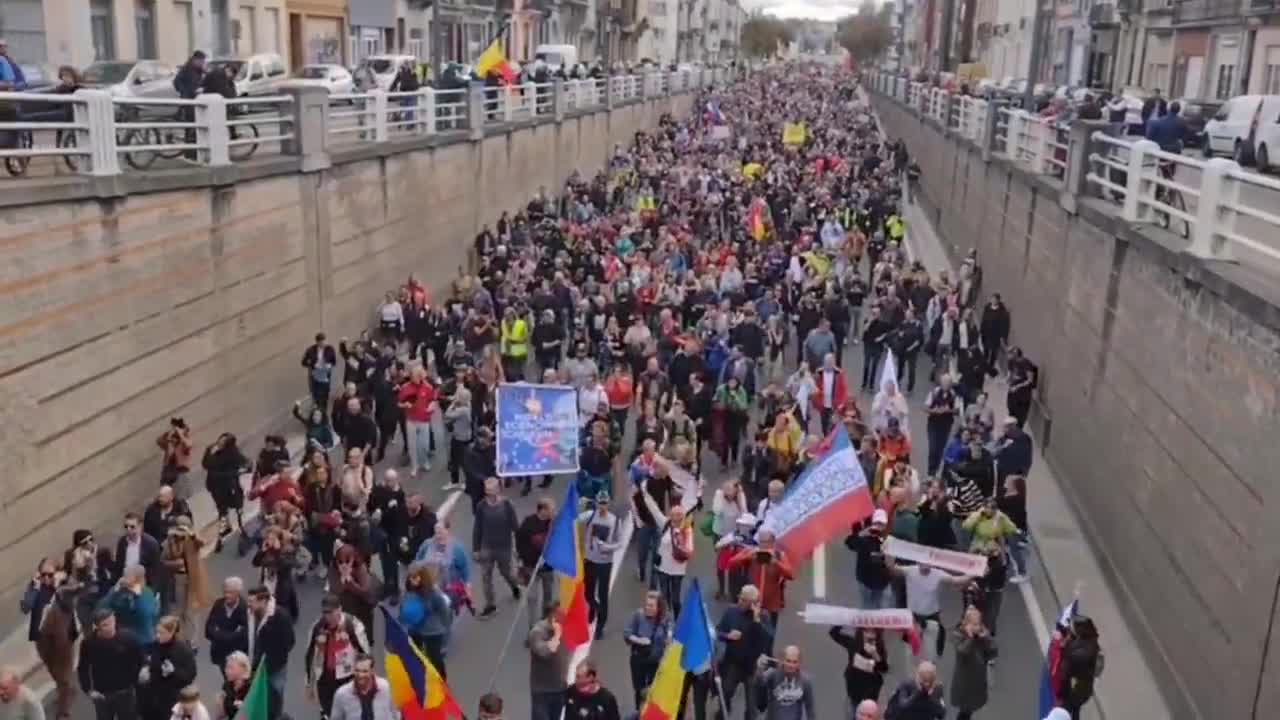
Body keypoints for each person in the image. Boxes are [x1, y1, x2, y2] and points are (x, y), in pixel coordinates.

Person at [304, 594, 372, 719]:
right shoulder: (317, 627)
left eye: (331, 612)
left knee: (350, 711)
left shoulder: (353, 625)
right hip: (325, 677)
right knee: (328, 712)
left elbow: (365, 652)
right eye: (325, 613)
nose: (328, 616)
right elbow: (309, 654)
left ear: (339, 609)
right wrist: (309, 683)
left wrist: (368, 678)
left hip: (347, 676)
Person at [715, 585, 773, 720]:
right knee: (725, 693)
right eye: (740, 598)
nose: (739, 601)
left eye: (744, 600)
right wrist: (727, 636)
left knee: (752, 705)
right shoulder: (731, 611)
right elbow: (718, 632)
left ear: (753, 603)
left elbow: (766, 639)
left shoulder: (763, 616)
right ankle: (723, 713)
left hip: (753, 666)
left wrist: (757, 620)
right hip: (733, 662)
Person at [77, 610, 145, 720]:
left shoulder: (128, 638)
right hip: (102, 694)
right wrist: (88, 690)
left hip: (125, 692)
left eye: (112, 621)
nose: (110, 627)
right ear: (97, 626)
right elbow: (83, 668)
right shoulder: (89, 643)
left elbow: (141, 658)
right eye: (105, 625)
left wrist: (142, 672)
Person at [473, 477, 522, 617]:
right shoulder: (481, 506)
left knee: (506, 573)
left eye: (491, 490)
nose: (489, 493)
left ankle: (514, 586)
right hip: (486, 547)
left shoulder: (507, 505)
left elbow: (515, 527)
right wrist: (476, 548)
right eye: (487, 490)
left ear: (498, 489)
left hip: (504, 547)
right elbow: (478, 528)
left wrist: (518, 548)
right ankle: (490, 605)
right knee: (485, 577)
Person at [579, 492, 623, 638]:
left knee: (603, 594)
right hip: (590, 560)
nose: (602, 506)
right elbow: (576, 518)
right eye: (600, 503)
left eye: (605, 503)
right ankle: (594, 608)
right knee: (588, 592)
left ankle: (600, 626)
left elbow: (619, 543)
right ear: (596, 503)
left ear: (608, 504)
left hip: (605, 562)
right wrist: (579, 504)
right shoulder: (590, 515)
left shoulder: (615, 521)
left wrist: (606, 547)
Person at [139, 616, 198, 720]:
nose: (157, 636)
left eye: (161, 633)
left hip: (170, 700)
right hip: (151, 698)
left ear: (171, 632)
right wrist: (145, 667)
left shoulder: (183, 651)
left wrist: (173, 672)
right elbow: (145, 657)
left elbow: (190, 676)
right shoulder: (155, 646)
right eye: (157, 632)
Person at [400, 564, 452, 677]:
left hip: (432, 631)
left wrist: (445, 635)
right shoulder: (408, 591)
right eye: (411, 578)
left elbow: (445, 612)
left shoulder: (433, 593)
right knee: (416, 655)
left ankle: (441, 681)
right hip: (414, 629)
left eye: (416, 577)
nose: (413, 580)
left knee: (435, 659)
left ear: (423, 577)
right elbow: (404, 607)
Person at [623, 591, 670, 710]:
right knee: (639, 689)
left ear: (659, 607)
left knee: (653, 690)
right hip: (638, 660)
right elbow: (627, 634)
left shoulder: (665, 620)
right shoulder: (638, 615)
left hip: (655, 661)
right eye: (646, 605)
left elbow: (668, 638)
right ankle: (639, 711)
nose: (647, 608)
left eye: (651, 605)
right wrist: (640, 640)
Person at [246, 586, 295, 698]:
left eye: (251, 601)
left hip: (275, 668)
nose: (248, 604)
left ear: (263, 601)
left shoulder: (281, 617)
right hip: (254, 667)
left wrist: (273, 660)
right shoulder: (250, 614)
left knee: (275, 698)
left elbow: (290, 642)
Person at [950, 607, 997, 720]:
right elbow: (962, 651)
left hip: (978, 682)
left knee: (968, 711)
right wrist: (971, 638)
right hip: (965, 684)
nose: (977, 627)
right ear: (966, 623)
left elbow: (992, 653)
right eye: (974, 624)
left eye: (979, 623)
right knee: (965, 712)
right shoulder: (959, 635)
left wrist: (987, 639)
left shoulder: (982, 636)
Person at [517, 498, 556, 630]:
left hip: (548, 567)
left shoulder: (553, 524)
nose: (553, 512)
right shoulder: (528, 523)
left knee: (548, 598)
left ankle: (545, 623)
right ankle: (533, 629)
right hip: (531, 567)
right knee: (532, 599)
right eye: (551, 510)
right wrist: (526, 559)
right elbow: (520, 544)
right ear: (543, 510)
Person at [828, 626, 888, 708]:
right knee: (853, 712)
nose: (869, 635)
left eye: (873, 632)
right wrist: (844, 621)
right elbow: (833, 633)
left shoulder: (879, 647)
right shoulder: (853, 643)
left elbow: (884, 668)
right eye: (866, 632)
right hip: (854, 688)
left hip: (871, 692)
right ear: (861, 632)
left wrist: (875, 654)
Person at [98, 564, 160, 643]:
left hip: (141, 642)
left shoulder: (147, 594)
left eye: (125, 576)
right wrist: (115, 590)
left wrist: (117, 591)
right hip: (127, 641)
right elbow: (100, 609)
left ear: (137, 579)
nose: (122, 579)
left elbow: (146, 615)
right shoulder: (119, 593)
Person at [527, 602, 567, 720]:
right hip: (542, 691)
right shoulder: (537, 632)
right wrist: (557, 635)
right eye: (562, 616)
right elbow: (545, 652)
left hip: (559, 688)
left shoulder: (564, 628)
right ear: (553, 616)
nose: (565, 619)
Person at [753, 645, 816, 720]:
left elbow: (810, 708)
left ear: (799, 663)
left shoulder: (805, 681)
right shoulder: (773, 673)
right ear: (782, 660)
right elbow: (759, 682)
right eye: (788, 661)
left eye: (794, 662)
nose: (791, 665)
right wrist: (760, 669)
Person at [398, 364, 438, 477]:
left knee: (424, 444)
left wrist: (432, 406)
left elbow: (433, 400)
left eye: (418, 375)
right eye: (414, 375)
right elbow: (399, 402)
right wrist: (404, 404)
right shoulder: (405, 388)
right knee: (412, 445)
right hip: (411, 420)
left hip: (424, 420)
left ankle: (424, 461)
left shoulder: (428, 387)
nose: (416, 377)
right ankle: (415, 466)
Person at [204, 577, 249, 678]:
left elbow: (243, 636)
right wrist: (229, 635)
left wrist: (219, 634)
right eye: (225, 592)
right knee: (226, 678)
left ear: (238, 593)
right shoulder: (218, 604)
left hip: (236, 656)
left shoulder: (245, 609)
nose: (226, 595)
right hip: (220, 654)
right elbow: (208, 629)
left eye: (230, 593)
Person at [328, 655, 396, 720]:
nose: (360, 675)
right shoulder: (341, 694)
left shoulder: (386, 687)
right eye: (357, 670)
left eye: (365, 671)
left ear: (372, 671)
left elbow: (395, 713)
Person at [654, 504, 693, 618]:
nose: (676, 517)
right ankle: (664, 621)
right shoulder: (666, 526)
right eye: (674, 514)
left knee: (676, 599)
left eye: (679, 514)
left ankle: (678, 620)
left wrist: (679, 540)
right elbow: (654, 510)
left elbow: (689, 550)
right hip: (663, 567)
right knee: (664, 597)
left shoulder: (686, 530)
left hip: (678, 569)